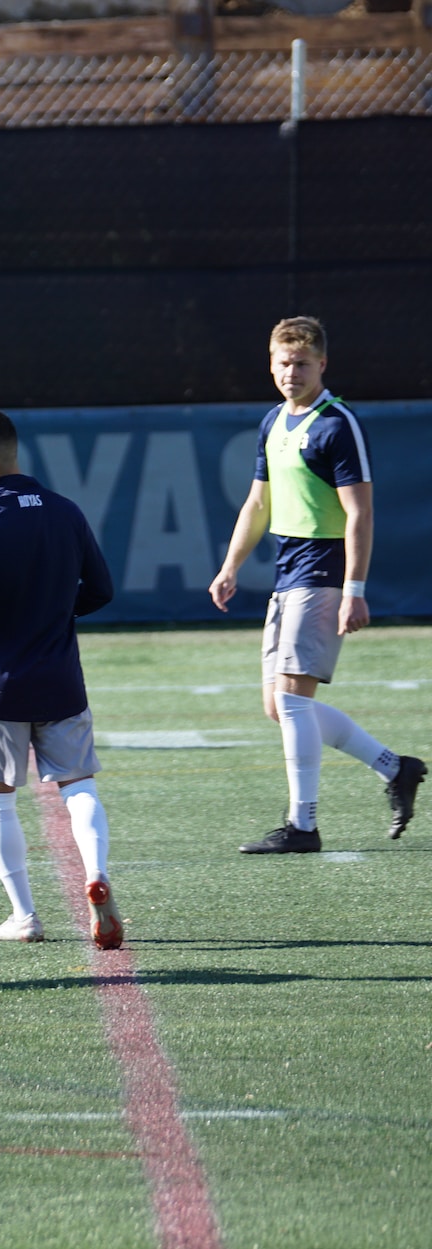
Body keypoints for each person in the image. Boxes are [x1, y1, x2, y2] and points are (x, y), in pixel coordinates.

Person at [208, 316, 423, 854]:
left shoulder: (337, 424)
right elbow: (258, 503)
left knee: (294, 703)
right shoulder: (274, 421)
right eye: (283, 362)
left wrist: (354, 588)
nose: (291, 372)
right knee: (278, 707)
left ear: (322, 365)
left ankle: (303, 826)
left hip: (322, 570)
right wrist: (230, 565)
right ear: (271, 363)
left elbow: (361, 513)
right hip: (288, 570)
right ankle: (396, 767)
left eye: (302, 363)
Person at [0, 410, 120, 948]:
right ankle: (97, 874)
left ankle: (25, 916)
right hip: (61, 677)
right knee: (79, 785)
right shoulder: (65, 512)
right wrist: (55, 613)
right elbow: (102, 588)